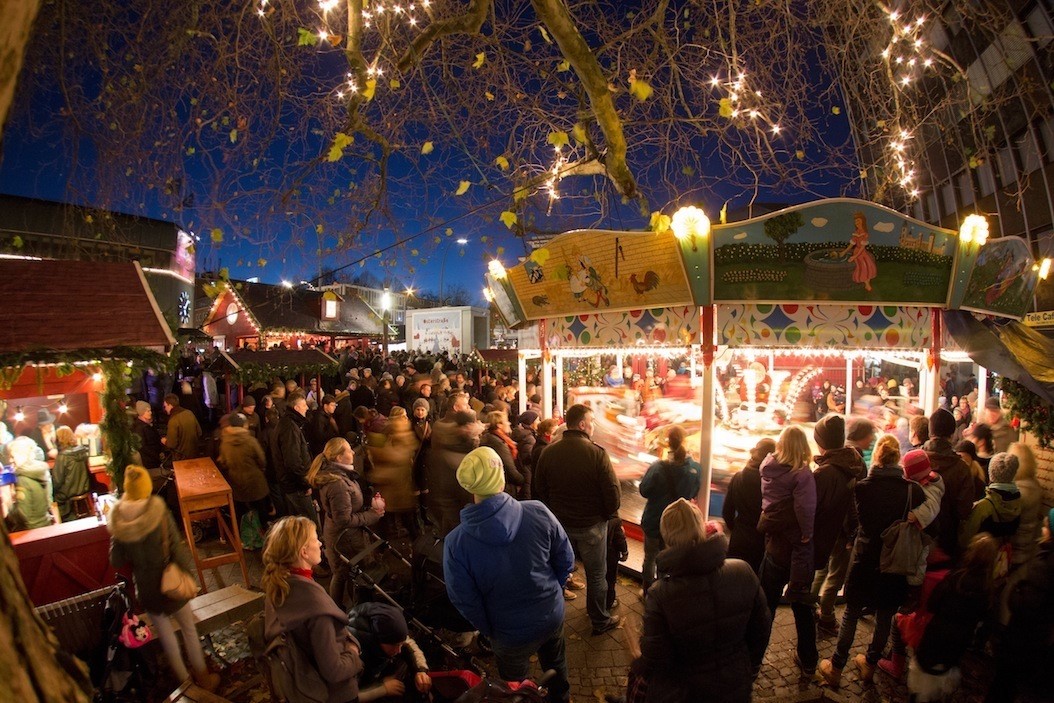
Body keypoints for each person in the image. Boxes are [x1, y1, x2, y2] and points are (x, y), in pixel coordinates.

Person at [444, 447, 573, 702]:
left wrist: (489, 627)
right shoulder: (538, 511)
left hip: (507, 633)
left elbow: (464, 600)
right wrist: (553, 592)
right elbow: (565, 559)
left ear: (471, 487)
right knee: (557, 668)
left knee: (515, 690)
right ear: (500, 477)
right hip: (550, 614)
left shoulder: (455, 544)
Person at [633, 499, 771, 703]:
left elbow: (657, 657)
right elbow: (761, 628)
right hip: (735, 683)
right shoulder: (742, 571)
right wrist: (748, 666)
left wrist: (638, 662)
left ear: (667, 538)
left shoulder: (660, 594)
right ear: (701, 528)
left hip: (686, 692)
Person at [819, 437, 925, 688]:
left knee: (851, 614)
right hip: (894, 562)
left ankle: (836, 667)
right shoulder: (913, 490)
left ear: (877, 456)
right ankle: (870, 663)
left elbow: (852, 521)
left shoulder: (863, 488)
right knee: (884, 616)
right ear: (897, 458)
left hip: (864, 559)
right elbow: (929, 527)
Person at [108, 466, 219, 691]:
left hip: (147, 588)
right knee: (189, 630)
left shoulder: (119, 521)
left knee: (168, 638)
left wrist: (117, 538)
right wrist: (189, 577)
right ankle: (204, 678)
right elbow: (178, 551)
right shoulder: (160, 513)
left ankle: (185, 684)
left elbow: (116, 560)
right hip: (172, 582)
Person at [535, 404, 621, 636]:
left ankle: (552, 620)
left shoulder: (549, 452)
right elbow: (613, 495)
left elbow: (539, 489)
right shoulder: (597, 454)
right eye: (591, 421)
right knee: (596, 576)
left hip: (560, 525)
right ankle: (599, 620)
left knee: (557, 572)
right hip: (592, 526)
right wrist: (604, 514)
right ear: (582, 424)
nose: (593, 425)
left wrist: (555, 510)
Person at [262, 516, 364, 703]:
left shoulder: (278, 586)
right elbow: (334, 671)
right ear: (304, 552)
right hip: (335, 695)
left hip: (304, 687)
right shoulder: (316, 609)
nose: (320, 542)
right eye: (315, 538)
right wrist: (354, 653)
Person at [903, 534, 999, 701]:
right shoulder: (989, 590)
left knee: (920, 684)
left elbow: (933, 604)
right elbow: (985, 623)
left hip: (936, 635)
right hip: (958, 643)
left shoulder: (955, 578)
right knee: (940, 682)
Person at [756, 425, 816, 674]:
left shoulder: (767, 467)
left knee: (765, 604)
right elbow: (805, 508)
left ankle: (754, 657)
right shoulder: (801, 475)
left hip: (773, 545)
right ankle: (809, 660)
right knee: (801, 604)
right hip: (794, 548)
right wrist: (807, 532)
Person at [985, 509, 1054, 703]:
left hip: (1022, 636)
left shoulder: (1044, 565)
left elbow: (1027, 604)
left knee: (1004, 682)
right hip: (1037, 637)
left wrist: (1015, 593)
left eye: (1046, 525)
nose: (1043, 527)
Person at [309, 438, 384, 608]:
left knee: (342, 574)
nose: (352, 452)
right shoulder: (338, 484)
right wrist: (372, 515)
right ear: (338, 458)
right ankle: (349, 610)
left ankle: (341, 608)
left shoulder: (339, 476)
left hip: (342, 535)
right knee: (345, 574)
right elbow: (343, 519)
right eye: (348, 450)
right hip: (344, 538)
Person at [811, 415, 867, 636]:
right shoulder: (856, 462)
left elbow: (815, 506)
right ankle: (823, 611)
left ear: (822, 442)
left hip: (830, 530)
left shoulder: (824, 472)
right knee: (835, 574)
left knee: (824, 572)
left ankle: (820, 613)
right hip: (848, 530)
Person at [638, 426, 702, 593]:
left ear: (668, 443)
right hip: (677, 524)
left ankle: (647, 592)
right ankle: (663, 592)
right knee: (668, 559)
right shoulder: (695, 469)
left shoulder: (658, 467)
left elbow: (644, 490)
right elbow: (693, 494)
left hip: (653, 520)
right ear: (685, 442)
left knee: (650, 558)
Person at [346, 603, 432, 702]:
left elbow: (408, 644)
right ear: (377, 640)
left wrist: (420, 670)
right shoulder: (351, 656)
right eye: (395, 645)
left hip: (376, 674)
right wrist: (383, 689)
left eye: (400, 644)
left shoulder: (386, 632)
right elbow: (345, 698)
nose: (399, 650)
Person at [923, 408, 975, 563]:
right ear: (952, 434)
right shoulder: (962, 468)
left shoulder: (914, 460)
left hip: (917, 537)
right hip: (948, 540)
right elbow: (964, 510)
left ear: (930, 431)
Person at [424, 408, 484, 537]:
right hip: (458, 522)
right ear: (463, 428)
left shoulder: (469, 447)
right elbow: (441, 497)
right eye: (471, 425)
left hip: (468, 518)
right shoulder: (447, 456)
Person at [272, 392, 320, 528]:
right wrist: (305, 483)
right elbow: (292, 462)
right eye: (304, 405)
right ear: (296, 408)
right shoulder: (289, 427)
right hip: (296, 486)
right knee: (309, 524)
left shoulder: (289, 424)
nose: (307, 408)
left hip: (291, 483)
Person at [217, 413, 271, 528]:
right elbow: (262, 460)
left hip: (236, 483)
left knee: (242, 513)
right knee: (261, 511)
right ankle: (263, 537)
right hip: (255, 482)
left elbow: (223, 463)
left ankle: (245, 538)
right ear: (244, 425)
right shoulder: (251, 441)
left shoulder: (225, 443)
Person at [959, 452, 1021, 550]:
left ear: (991, 472)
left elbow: (964, 540)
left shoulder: (984, 506)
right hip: (999, 558)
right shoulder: (1017, 501)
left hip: (981, 559)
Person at [5, 435, 55, 530]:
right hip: (45, 524)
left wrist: (9, 506)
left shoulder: (22, 479)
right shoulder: (40, 471)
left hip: (30, 530)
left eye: (12, 456)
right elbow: (48, 501)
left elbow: (24, 515)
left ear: (21, 455)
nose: (10, 460)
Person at [479, 410, 525, 498]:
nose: (509, 423)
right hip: (504, 488)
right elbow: (509, 469)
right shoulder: (498, 443)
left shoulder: (489, 438)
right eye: (506, 421)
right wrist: (522, 480)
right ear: (499, 425)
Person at [52, 426, 90, 521]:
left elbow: (57, 481)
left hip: (67, 494)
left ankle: (60, 522)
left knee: (51, 495)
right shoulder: (82, 451)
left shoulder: (62, 457)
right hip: (84, 489)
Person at [162, 393, 202, 461]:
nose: (165, 409)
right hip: (194, 454)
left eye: (165, 406)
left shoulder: (173, 420)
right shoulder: (189, 413)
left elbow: (172, 444)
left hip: (181, 458)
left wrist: (165, 441)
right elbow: (199, 432)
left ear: (170, 405)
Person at [510, 411, 539, 500]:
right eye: (537, 420)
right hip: (527, 471)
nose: (539, 422)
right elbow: (528, 457)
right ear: (531, 422)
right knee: (527, 494)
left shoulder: (520, 434)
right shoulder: (529, 438)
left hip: (521, 469)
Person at [131, 401, 165, 470]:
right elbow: (143, 447)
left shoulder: (147, 425)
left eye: (150, 410)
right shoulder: (140, 428)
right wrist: (156, 455)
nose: (151, 412)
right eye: (148, 411)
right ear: (142, 413)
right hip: (149, 463)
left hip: (154, 459)